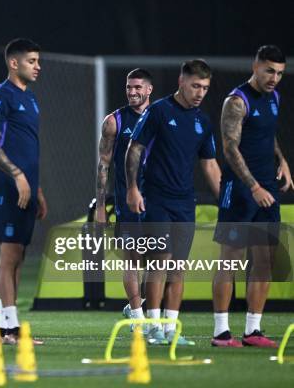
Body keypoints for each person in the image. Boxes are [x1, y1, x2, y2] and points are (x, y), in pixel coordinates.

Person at [126, 59, 221, 346]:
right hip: (156, 198)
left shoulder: (202, 121)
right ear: (182, 81)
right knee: (160, 261)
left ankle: (170, 329)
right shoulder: (159, 111)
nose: (200, 92)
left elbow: (210, 165)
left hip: (184, 202)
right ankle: (153, 326)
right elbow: (135, 148)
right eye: (195, 86)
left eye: (205, 87)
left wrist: (226, 202)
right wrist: (132, 188)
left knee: (178, 267)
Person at [212, 45, 291, 348]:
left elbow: (267, 133)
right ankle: (221, 331)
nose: (274, 78)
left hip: (267, 189)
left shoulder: (274, 97)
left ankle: (252, 330)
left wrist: (281, 160)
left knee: (264, 260)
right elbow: (230, 148)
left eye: (280, 73)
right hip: (241, 190)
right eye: (269, 70)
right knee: (229, 260)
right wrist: (254, 186)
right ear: (255, 66)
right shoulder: (236, 101)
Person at [0, 38, 47, 345]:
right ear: (14, 63)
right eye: (32, 61)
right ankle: (9, 329)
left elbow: (26, 148)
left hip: (26, 188)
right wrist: (18, 175)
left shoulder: (30, 99)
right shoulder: (0, 95)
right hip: (5, 187)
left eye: (38, 61)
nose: (38, 66)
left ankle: (10, 326)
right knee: (8, 256)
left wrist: (37, 188)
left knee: (18, 256)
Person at [95, 69, 153, 325]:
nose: (132, 92)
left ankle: (146, 311)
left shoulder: (160, 117)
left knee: (160, 260)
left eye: (138, 87)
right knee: (133, 258)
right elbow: (103, 164)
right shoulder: (114, 121)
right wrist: (99, 205)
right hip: (127, 202)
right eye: (129, 87)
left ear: (149, 89)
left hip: (158, 200)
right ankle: (139, 320)